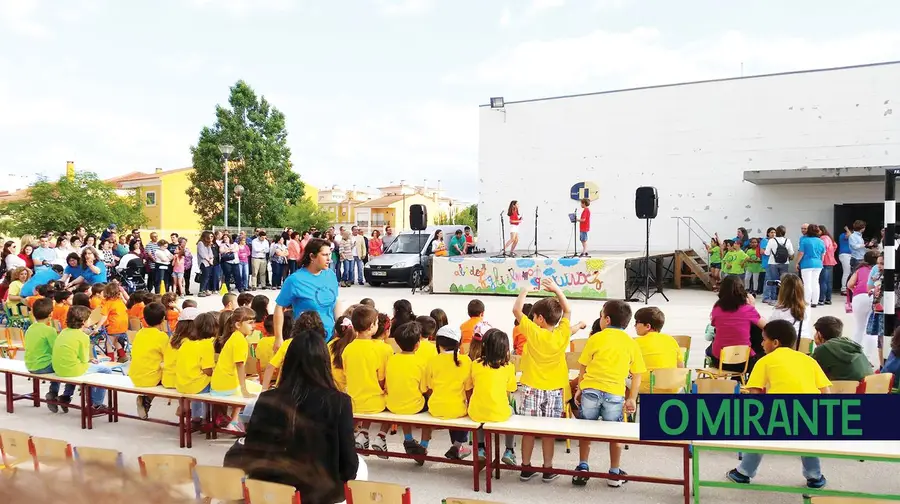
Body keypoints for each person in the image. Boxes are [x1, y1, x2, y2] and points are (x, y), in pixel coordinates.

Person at [230, 327, 359, 504]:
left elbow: (253, 447)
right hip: (320, 494)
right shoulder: (339, 402)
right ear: (324, 362)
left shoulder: (268, 398)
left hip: (272, 491)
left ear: (289, 361)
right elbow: (349, 464)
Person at [726, 320, 830, 489]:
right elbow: (825, 392)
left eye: (763, 339)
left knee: (759, 434)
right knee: (807, 438)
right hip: (810, 413)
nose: (761, 343)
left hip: (779, 412)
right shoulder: (808, 360)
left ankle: (743, 472)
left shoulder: (765, 361)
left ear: (774, 343)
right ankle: (814, 476)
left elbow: (754, 395)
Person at [571, 300, 644, 487]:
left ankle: (583, 467)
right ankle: (614, 472)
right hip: (614, 393)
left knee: (586, 430)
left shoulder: (596, 338)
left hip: (591, 391)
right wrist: (632, 398)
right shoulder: (631, 343)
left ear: (607, 319)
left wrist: (580, 387)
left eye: (601, 315)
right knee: (615, 433)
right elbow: (637, 374)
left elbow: (583, 366)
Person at [514, 278, 572, 481]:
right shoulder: (563, 333)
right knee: (549, 431)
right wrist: (556, 289)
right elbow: (568, 310)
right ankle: (548, 468)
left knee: (528, 431)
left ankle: (526, 467)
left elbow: (516, 311)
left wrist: (525, 290)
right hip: (555, 389)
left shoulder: (533, 332)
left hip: (531, 387)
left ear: (539, 318)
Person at [274, 239, 340, 350]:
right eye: (324, 255)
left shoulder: (331, 275)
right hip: (306, 340)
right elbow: (279, 307)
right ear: (312, 256)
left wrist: (340, 323)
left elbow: (335, 301)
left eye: (330, 254)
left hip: (331, 338)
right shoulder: (295, 280)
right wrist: (278, 337)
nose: (329, 259)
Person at [342, 305, 390, 453]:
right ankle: (381, 436)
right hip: (375, 403)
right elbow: (382, 380)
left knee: (370, 396)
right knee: (392, 397)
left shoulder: (348, 348)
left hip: (353, 401)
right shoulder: (382, 349)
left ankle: (363, 433)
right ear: (371, 327)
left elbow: (346, 373)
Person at [422, 325, 473, 459]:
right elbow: (469, 391)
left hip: (436, 408)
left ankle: (457, 447)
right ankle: (457, 446)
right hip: (458, 409)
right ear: (459, 342)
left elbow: (428, 389)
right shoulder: (465, 361)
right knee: (463, 411)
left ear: (438, 343)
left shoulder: (432, 361)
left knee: (452, 410)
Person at [52, 305, 113, 414]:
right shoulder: (83, 336)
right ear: (84, 321)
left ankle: (67, 395)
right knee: (106, 370)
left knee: (76, 365)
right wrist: (90, 359)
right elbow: (84, 360)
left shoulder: (63, 332)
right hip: (73, 370)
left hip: (58, 368)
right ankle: (97, 404)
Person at [468, 328, 517, 462]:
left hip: (476, 411)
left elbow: (471, 385)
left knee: (480, 415)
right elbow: (511, 390)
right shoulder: (509, 367)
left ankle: (480, 447)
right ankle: (509, 450)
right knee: (512, 412)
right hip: (499, 413)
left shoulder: (475, 364)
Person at [385, 321, 431, 461]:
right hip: (414, 406)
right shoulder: (421, 362)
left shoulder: (391, 359)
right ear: (417, 344)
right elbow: (424, 389)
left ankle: (408, 438)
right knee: (430, 405)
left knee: (404, 397)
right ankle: (423, 445)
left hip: (392, 404)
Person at [25, 298, 73, 412]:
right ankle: (65, 396)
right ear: (51, 313)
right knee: (70, 367)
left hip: (30, 365)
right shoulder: (49, 330)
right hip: (43, 366)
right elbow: (56, 349)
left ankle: (53, 393)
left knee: (55, 364)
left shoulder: (30, 328)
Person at [708, 275, 766, 369]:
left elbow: (714, 324)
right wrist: (752, 306)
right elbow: (767, 326)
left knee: (712, 345)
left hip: (720, 360)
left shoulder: (717, 308)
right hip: (744, 360)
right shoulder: (748, 309)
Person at [212, 307, 255, 431]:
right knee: (258, 390)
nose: (254, 326)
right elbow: (240, 367)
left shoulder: (234, 337)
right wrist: (244, 390)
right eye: (250, 323)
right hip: (228, 386)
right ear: (237, 324)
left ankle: (234, 419)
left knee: (249, 386)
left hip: (218, 384)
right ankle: (235, 421)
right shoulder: (240, 341)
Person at [129, 302, 170, 419]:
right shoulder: (162, 336)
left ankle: (146, 401)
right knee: (170, 374)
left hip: (134, 375)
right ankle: (146, 400)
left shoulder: (140, 333)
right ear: (163, 319)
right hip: (151, 378)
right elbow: (168, 357)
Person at [176, 311, 217, 423]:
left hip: (181, 384)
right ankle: (209, 419)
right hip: (196, 386)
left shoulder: (186, 342)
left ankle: (196, 417)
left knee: (199, 381)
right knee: (219, 385)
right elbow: (207, 370)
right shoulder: (207, 345)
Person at [633, 307, 684, 394]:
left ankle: (630, 403)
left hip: (647, 388)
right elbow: (681, 366)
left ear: (647, 326)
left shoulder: (635, 342)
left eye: (637, 322)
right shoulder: (670, 339)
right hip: (672, 387)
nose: (634, 325)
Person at [811, 316, 873, 381]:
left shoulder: (823, 349)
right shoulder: (851, 344)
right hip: (869, 386)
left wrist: (819, 347)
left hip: (843, 388)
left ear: (819, 334)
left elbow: (808, 370)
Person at [768, 273, 811, 342]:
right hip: (805, 344)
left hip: (788, 346)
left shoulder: (780, 311)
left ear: (782, 291)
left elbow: (768, 329)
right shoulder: (807, 307)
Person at [96, 281, 130, 362]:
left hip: (114, 326)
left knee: (108, 343)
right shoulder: (119, 300)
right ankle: (123, 356)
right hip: (123, 326)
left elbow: (104, 316)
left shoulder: (108, 303)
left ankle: (110, 360)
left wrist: (97, 327)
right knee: (115, 341)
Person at [796, 224, 826, 308]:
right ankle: (815, 302)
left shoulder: (804, 240)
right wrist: (821, 262)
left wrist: (797, 262)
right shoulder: (821, 241)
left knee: (807, 283)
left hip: (807, 264)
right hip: (818, 264)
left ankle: (807, 301)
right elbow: (823, 254)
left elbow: (801, 253)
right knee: (816, 282)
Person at [763, 225, 794, 304]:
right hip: (784, 263)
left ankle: (772, 299)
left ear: (776, 232)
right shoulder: (788, 240)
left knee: (773, 280)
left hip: (773, 263)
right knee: (783, 281)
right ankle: (782, 298)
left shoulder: (771, 241)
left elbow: (767, 253)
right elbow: (791, 253)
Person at [818, 225, 838, 306]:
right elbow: (835, 246)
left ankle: (821, 299)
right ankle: (828, 299)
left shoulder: (823, 238)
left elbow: (823, 248)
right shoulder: (829, 238)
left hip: (824, 261)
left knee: (823, 281)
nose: (817, 232)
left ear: (822, 231)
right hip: (830, 261)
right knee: (828, 281)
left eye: (818, 230)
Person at [197, 231, 216, 297]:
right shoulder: (200, 243)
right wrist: (208, 260)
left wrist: (211, 259)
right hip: (203, 262)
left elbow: (211, 253)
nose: (211, 238)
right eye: (210, 236)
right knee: (205, 276)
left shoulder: (208, 244)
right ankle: (201, 291)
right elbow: (202, 254)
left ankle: (205, 289)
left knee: (208, 276)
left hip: (209, 262)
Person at [838, 225, 853, 294]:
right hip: (844, 255)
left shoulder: (851, 237)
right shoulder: (842, 235)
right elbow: (849, 235)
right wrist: (847, 229)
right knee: (846, 272)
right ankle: (843, 289)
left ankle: (847, 287)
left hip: (850, 255)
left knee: (849, 272)